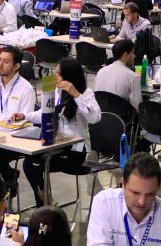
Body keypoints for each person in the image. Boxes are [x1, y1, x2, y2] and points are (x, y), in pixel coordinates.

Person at [13, 58, 100, 207]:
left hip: (76, 150)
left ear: (70, 77)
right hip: (56, 144)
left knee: (36, 163)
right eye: (55, 72)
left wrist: (76, 95)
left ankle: (43, 205)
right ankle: (45, 202)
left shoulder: (86, 93)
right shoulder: (55, 90)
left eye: (59, 74)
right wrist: (25, 116)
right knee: (30, 162)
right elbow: (44, 113)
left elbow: (95, 118)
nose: (55, 76)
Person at [0, 46, 36, 120]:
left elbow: (24, 121)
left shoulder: (26, 89)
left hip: (13, 130)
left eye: (6, 62)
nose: (0, 65)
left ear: (16, 66)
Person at [94, 39, 141, 110]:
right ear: (126, 55)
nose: (134, 56)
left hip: (101, 116)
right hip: (122, 118)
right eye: (132, 53)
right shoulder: (133, 77)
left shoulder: (100, 71)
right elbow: (137, 107)